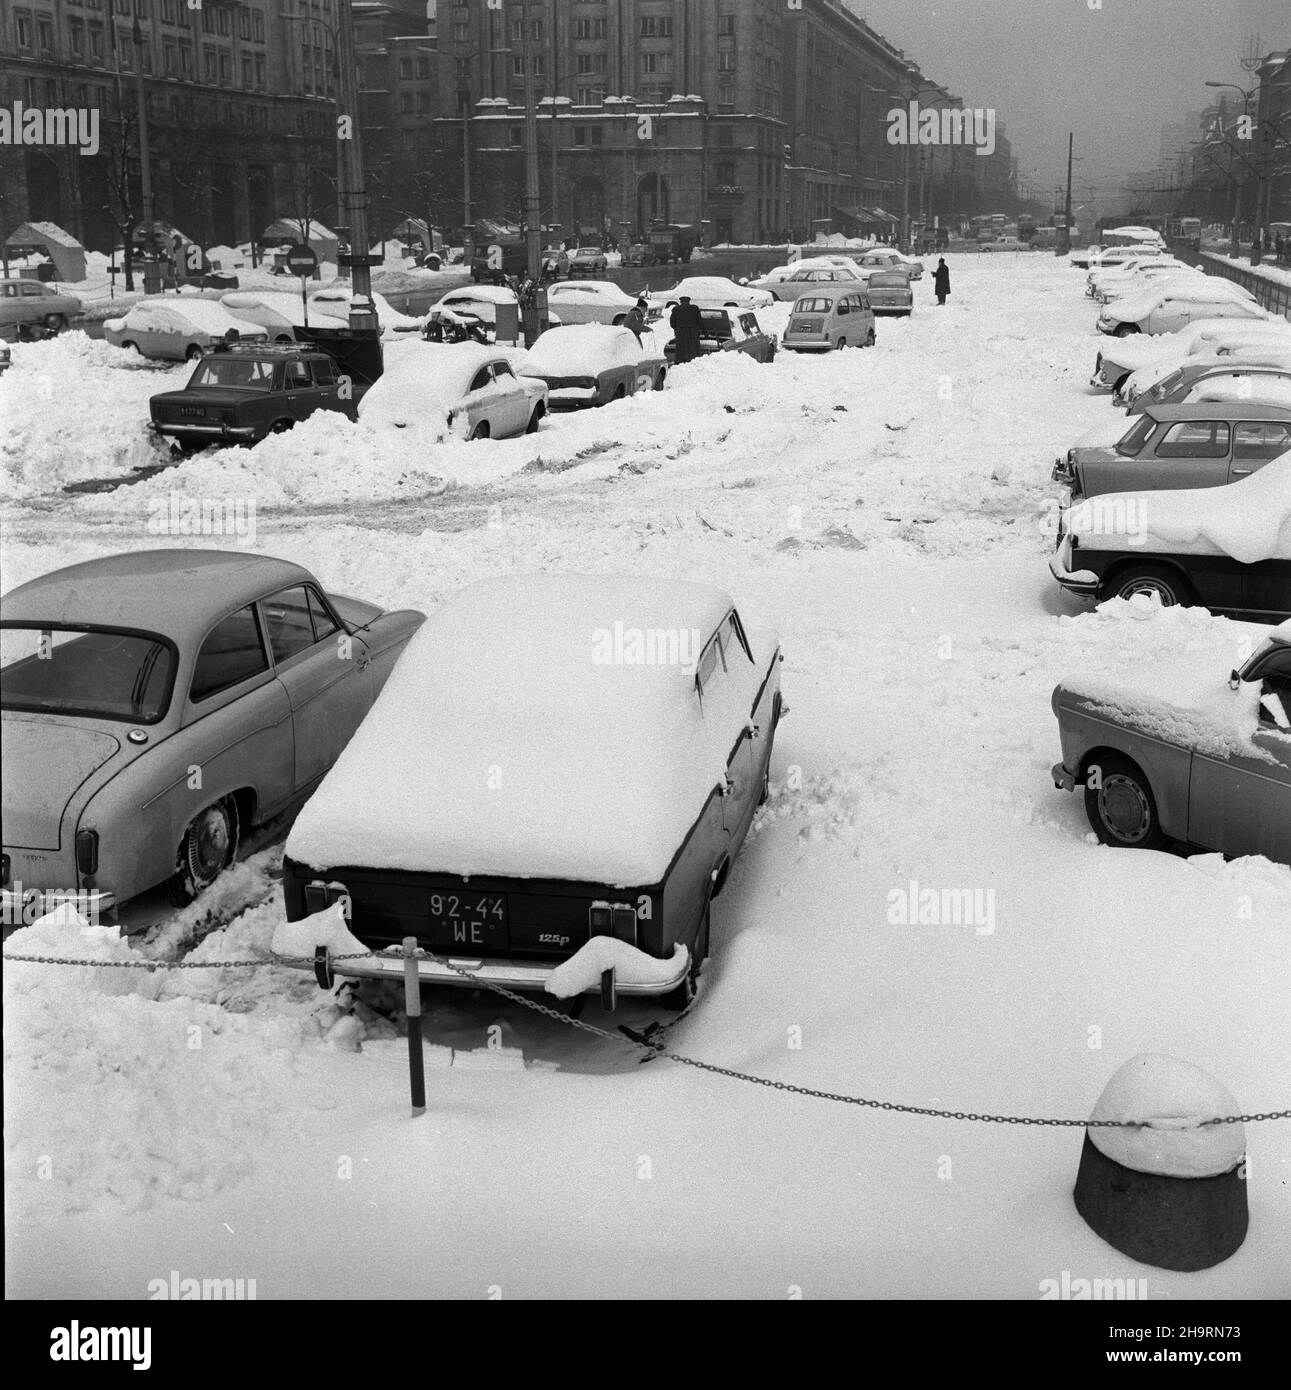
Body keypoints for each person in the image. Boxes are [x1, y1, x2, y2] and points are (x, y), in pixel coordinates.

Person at [670, 295, 703, 363]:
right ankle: (694, 361)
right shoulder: (695, 308)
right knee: (693, 348)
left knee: (681, 348)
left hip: (681, 331)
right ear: (689, 301)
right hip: (693, 332)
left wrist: (677, 327)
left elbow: (672, 323)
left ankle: (680, 361)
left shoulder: (676, 309)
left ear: (680, 302)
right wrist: (703, 331)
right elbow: (700, 321)